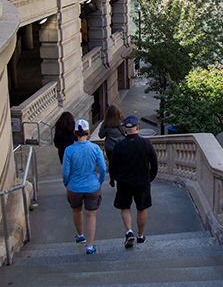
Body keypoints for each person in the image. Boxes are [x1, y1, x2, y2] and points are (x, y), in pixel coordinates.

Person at [109, 115, 158, 248]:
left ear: (125, 128)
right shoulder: (146, 143)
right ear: (137, 127)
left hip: (125, 182)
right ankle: (140, 236)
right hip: (142, 181)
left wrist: (117, 178)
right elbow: (154, 164)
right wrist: (149, 179)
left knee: (125, 207)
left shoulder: (119, 145)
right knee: (142, 208)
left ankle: (129, 231)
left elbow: (112, 167)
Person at [62, 119, 107, 255]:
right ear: (87, 132)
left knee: (76, 211)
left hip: (74, 187)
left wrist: (67, 183)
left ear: (75, 132)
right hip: (92, 186)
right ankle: (90, 245)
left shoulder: (69, 150)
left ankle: (80, 234)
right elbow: (103, 168)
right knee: (91, 215)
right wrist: (99, 182)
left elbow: (65, 172)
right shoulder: (95, 148)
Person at [98, 105, 126, 186]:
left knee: (111, 163)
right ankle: (121, 178)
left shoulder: (106, 124)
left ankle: (112, 178)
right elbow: (126, 133)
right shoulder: (122, 122)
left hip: (110, 148)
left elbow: (101, 135)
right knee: (121, 163)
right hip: (121, 147)